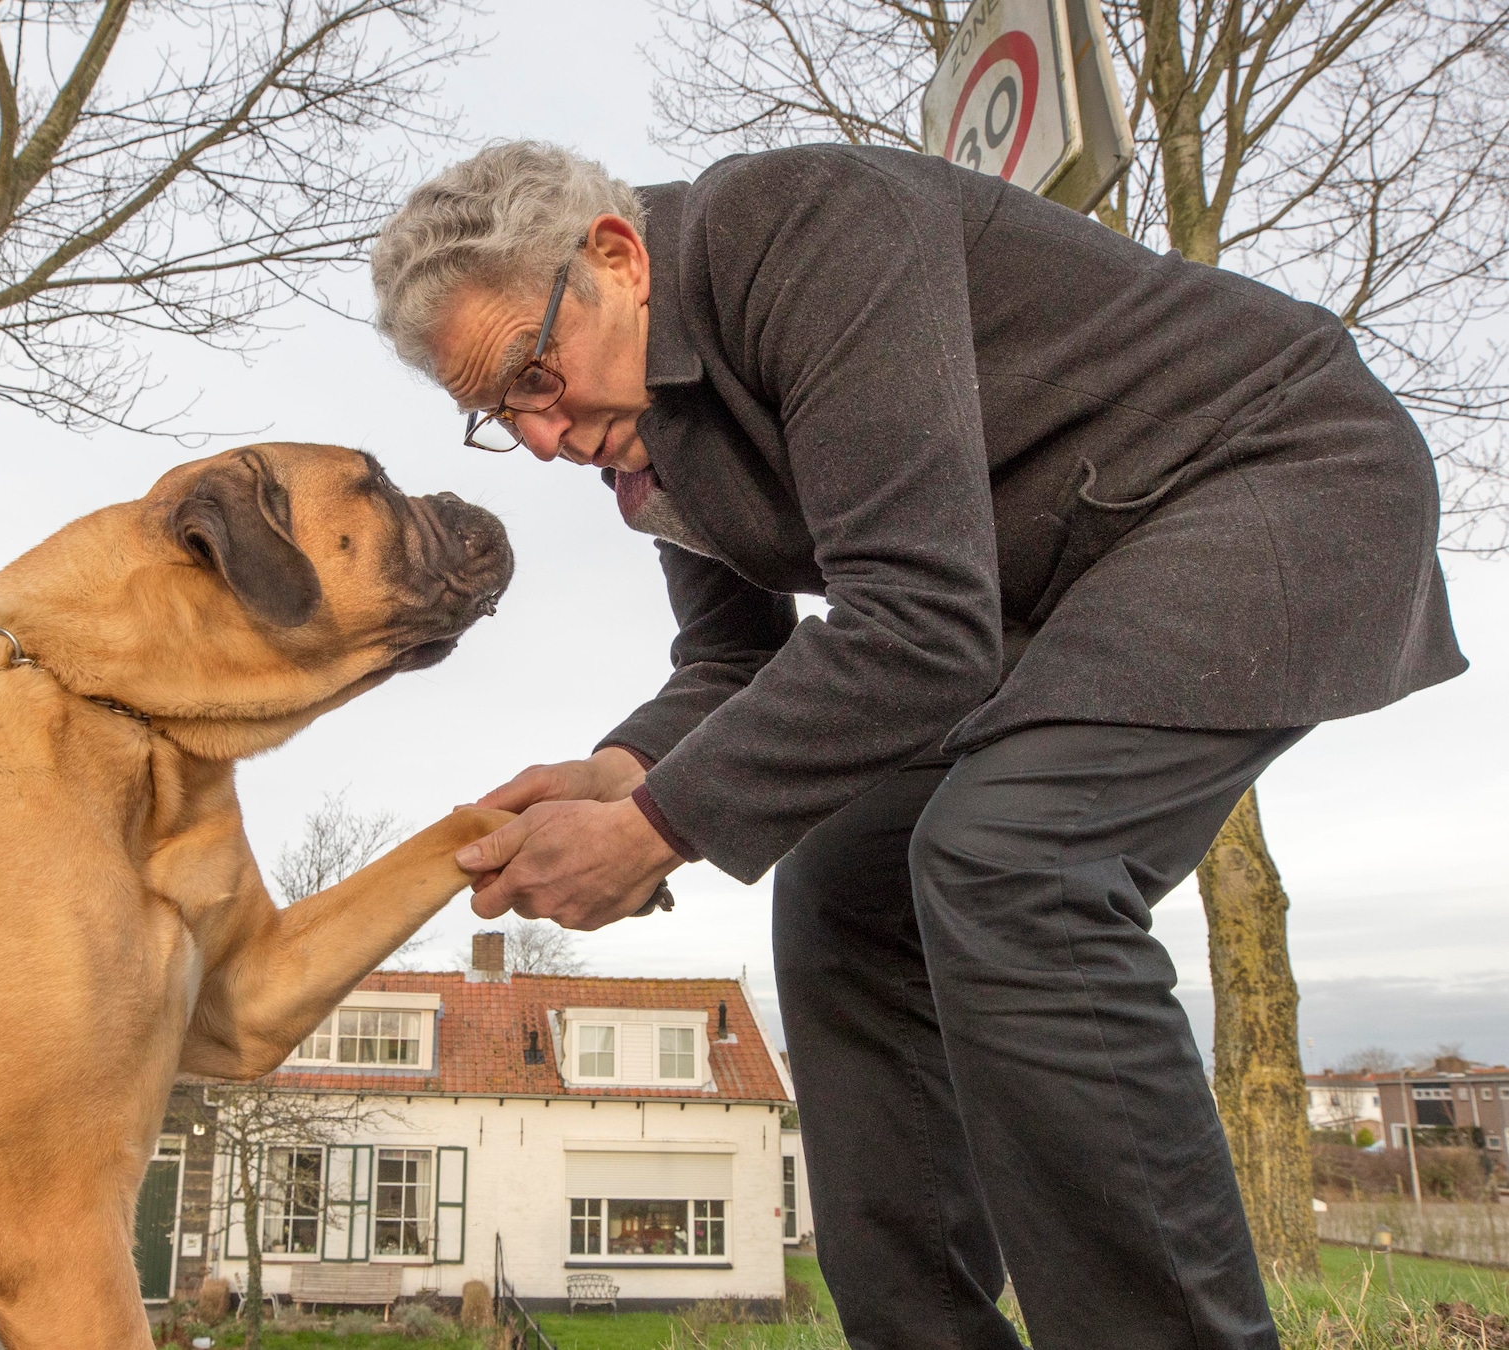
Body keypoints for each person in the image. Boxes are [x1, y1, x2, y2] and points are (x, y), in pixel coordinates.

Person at [367, 141, 1464, 1349]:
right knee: (843, 882)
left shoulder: (808, 232)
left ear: (618, 259)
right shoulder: (643, 437)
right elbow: (734, 661)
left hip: (1273, 472)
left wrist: (654, 831)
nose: (538, 436)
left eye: (535, 375)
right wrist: (621, 774)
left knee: (1016, 863)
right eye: (498, 414)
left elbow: (920, 622)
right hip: (1048, 594)